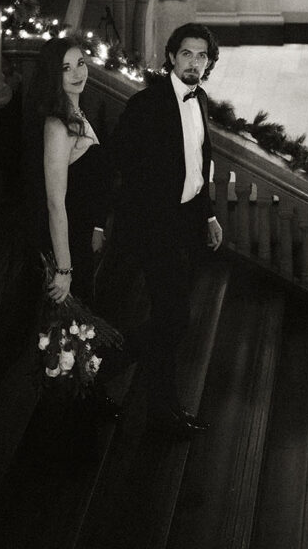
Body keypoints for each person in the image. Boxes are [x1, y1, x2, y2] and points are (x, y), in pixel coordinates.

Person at [110, 22, 223, 437]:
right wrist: (144, 219)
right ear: (172, 57)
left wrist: (208, 215)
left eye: (202, 56)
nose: (194, 62)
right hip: (157, 229)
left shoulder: (201, 99)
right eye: (187, 54)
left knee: (170, 318)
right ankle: (158, 406)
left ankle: (122, 373)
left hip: (190, 222)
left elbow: (199, 163)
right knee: (172, 320)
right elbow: (122, 164)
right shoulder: (146, 104)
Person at [25, 34, 110, 307]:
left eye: (81, 63)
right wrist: (63, 270)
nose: (77, 73)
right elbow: (54, 202)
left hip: (81, 233)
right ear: (53, 75)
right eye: (66, 68)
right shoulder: (58, 127)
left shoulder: (77, 112)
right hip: (68, 240)